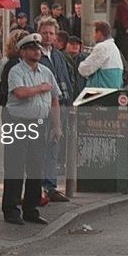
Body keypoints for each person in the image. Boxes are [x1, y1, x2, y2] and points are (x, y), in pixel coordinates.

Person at [3, 33, 61, 226]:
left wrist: (56, 125)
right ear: (24, 51)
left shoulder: (46, 71)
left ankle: (31, 209)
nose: (37, 52)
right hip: (18, 122)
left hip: (39, 123)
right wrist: (40, 88)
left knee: (36, 167)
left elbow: (54, 99)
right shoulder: (16, 71)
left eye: (38, 49)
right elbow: (19, 93)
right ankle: (11, 210)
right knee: (15, 167)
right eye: (33, 49)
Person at [36, 18, 73, 203]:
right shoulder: (35, 55)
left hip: (60, 106)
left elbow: (66, 79)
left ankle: (50, 187)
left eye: (51, 33)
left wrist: (69, 102)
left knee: (54, 145)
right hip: (42, 108)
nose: (48, 36)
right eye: (44, 33)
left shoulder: (58, 55)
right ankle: (38, 187)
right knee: (39, 147)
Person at [78, 21, 125, 89]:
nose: (93, 36)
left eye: (94, 33)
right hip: (113, 89)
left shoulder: (102, 47)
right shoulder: (113, 47)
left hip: (101, 90)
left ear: (99, 33)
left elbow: (85, 69)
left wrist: (81, 66)